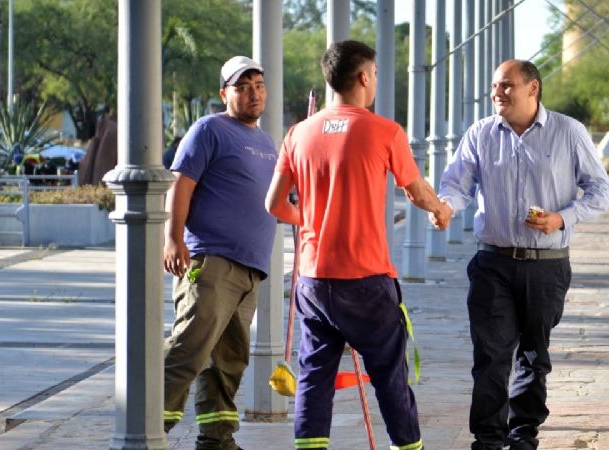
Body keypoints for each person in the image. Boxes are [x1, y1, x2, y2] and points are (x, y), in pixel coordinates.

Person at [266, 40, 450, 450]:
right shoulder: (384, 131)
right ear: (364, 77)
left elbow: (274, 204)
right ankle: (406, 446)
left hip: (314, 280)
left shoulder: (298, 133)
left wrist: (309, 219)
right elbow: (416, 191)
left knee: (314, 377)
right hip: (366, 279)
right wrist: (439, 209)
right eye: (377, 74)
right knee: (389, 375)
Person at [436, 59, 609, 450]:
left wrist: (562, 219)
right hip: (492, 263)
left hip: (547, 266)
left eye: (506, 86)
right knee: (491, 355)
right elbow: (457, 184)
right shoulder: (481, 133)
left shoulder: (568, 132)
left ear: (533, 88)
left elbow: (601, 191)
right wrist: (446, 206)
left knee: (534, 355)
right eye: (495, 86)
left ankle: (523, 435)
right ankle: (487, 438)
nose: (497, 93)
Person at [162, 55, 277, 450]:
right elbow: (181, 184)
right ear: (224, 93)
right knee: (189, 346)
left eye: (258, 85)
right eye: (242, 87)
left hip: (250, 270)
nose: (253, 93)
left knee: (228, 361)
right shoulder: (209, 129)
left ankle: (216, 439)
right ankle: (146, 429)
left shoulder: (265, 141)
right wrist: (173, 238)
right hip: (209, 262)